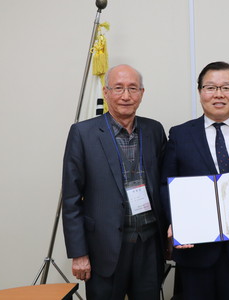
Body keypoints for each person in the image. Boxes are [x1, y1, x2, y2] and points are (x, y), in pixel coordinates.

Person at [161, 61, 229, 300]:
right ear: (200, 92)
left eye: (227, 87)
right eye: (210, 87)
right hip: (194, 251)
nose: (218, 94)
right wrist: (175, 222)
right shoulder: (180, 134)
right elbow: (166, 185)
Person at [62, 64, 167, 300]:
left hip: (149, 245)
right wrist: (79, 253)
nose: (126, 96)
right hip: (105, 247)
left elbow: (165, 186)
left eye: (133, 88)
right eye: (118, 88)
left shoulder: (154, 130)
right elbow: (70, 199)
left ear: (142, 93)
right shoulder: (83, 133)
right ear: (106, 92)